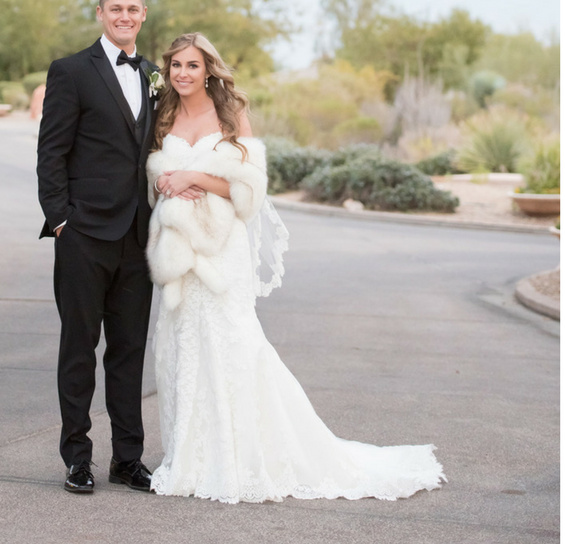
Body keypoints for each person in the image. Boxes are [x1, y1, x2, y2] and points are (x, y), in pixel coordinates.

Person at [144, 32, 446, 502]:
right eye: (177, 65)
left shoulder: (230, 113)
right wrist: (164, 176)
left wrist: (194, 176)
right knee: (183, 347)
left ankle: (244, 458)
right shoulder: (163, 113)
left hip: (224, 252)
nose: (183, 73)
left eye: (193, 65)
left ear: (209, 70)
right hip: (181, 255)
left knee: (233, 343)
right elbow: (156, 176)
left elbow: (249, 190)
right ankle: (192, 457)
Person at [36, 0, 157, 494]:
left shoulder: (156, 75)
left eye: (132, 9)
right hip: (84, 234)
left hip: (139, 238)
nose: (124, 16)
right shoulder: (70, 72)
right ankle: (77, 459)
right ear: (101, 13)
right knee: (79, 350)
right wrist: (61, 219)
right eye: (115, 8)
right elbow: (51, 153)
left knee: (129, 352)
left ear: (144, 14)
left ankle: (128, 459)